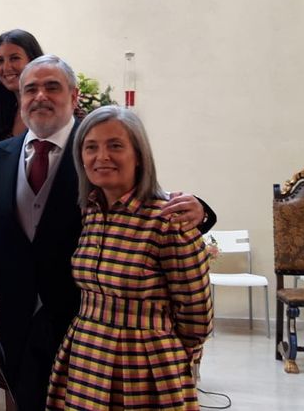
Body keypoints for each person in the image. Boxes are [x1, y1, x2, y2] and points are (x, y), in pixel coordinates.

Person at [0, 55, 216, 411]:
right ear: (19, 98)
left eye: (52, 87)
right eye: (30, 89)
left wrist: (169, 356)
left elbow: (155, 207)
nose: (40, 96)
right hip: (26, 317)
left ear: (74, 96)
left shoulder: (96, 145)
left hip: (86, 325)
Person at [46, 105, 212, 409]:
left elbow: (197, 317)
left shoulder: (168, 220)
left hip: (145, 364)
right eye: (91, 147)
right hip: (85, 354)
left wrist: (167, 354)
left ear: (139, 156)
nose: (102, 157)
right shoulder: (91, 213)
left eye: (115, 146)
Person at [0, 29, 43, 140]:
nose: (6, 68)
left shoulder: (53, 108)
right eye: (0, 61)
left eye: (14, 58)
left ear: (33, 60)